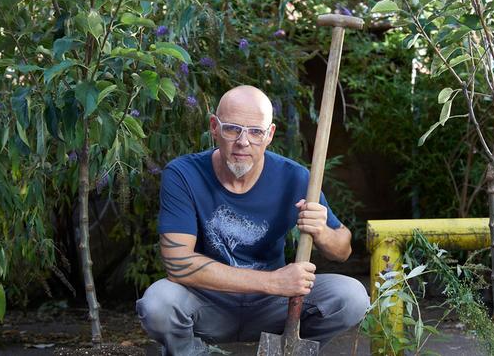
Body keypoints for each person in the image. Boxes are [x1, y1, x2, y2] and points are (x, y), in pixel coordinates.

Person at [136, 85, 369, 355]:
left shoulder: (295, 178)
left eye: (255, 132)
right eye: (232, 128)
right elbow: (177, 264)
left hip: (274, 307)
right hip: (206, 302)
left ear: (269, 134)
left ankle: (286, 351)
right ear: (214, 126)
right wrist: (272, 281)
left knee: (351, 296)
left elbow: (343, 250)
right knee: (158, 303)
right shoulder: (184, 174)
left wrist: (323, 232)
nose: (243, 142)